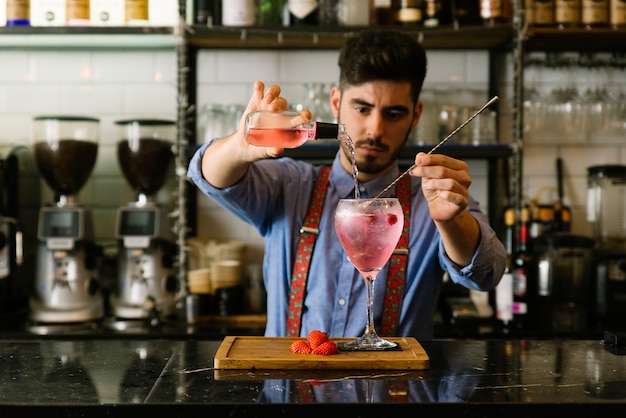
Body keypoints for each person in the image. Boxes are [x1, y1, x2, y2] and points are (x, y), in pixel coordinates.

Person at [187, 29, 506, 341]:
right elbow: (208, 174)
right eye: (362, 108)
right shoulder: (290, 185)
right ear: (336, 102)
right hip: (286, 390)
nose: (375, 129)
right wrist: (240, 145)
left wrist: (452, 222)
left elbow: (488, 274)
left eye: (394, 114)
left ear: (415, 115)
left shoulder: (434, 200)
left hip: (396, 392)